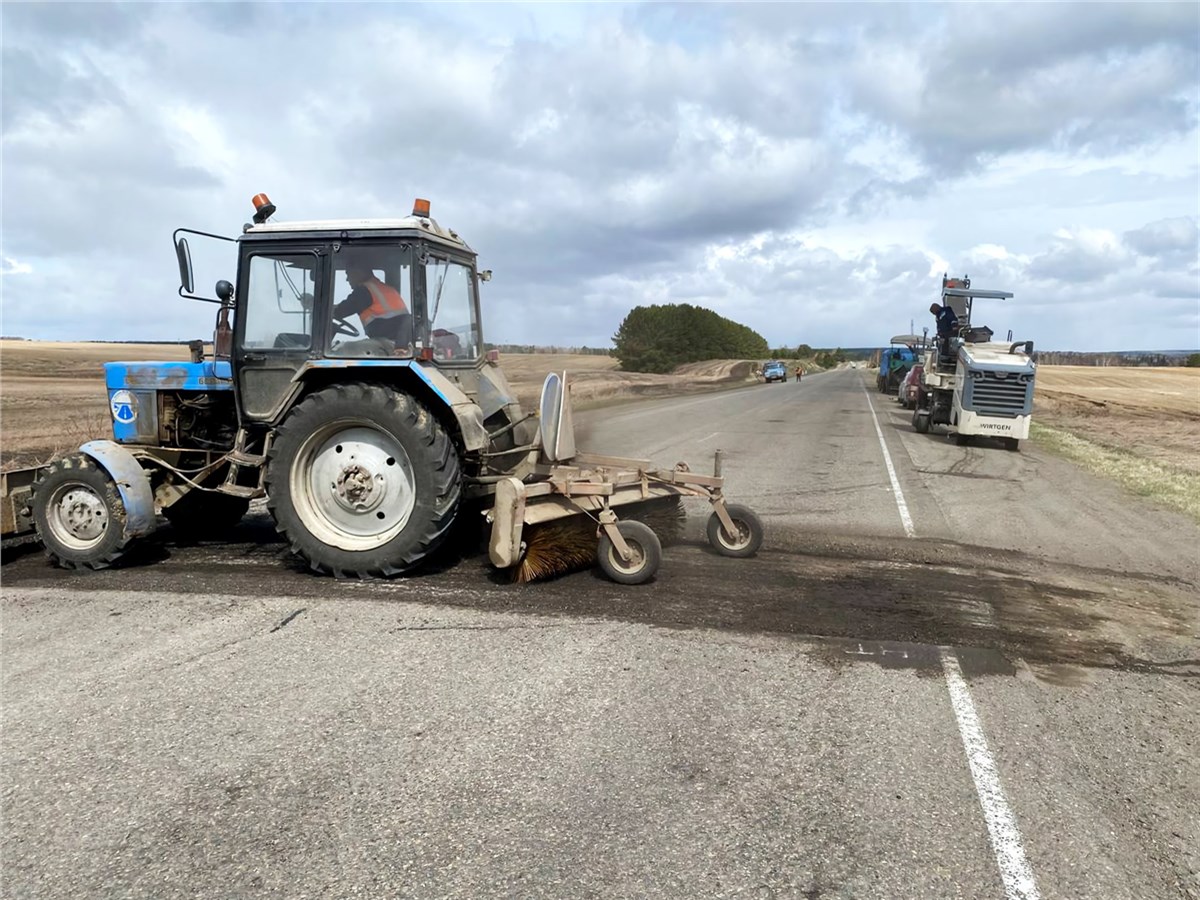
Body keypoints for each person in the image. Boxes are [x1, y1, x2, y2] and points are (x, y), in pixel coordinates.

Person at [334, 266, 411, 347]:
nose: (347, 279)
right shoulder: (386, 288)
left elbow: (341, 310)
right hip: (398, 340)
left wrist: (328, 311)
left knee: (346, 348)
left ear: (359, 273)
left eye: (348, 274)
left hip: (385, 341)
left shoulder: (364, 291)